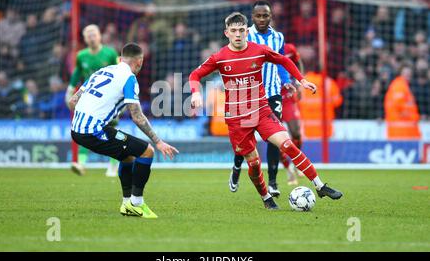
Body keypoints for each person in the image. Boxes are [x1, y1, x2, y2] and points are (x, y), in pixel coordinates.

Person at [189, 12, 343, 210]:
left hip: (261, 110)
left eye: (241, 30)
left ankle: (320, 186)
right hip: (237, 118)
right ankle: (265, 196)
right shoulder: (220, 57)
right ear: (226, 33)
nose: (238, 34)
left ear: (247, 31)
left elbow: (285, 61)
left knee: (287, 144)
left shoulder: (259, 50)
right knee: (253, 163)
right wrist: (195, 93)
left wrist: (301, 80)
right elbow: (195, 74)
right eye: (234, 31)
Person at [68, 42, 178, 219]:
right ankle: (136, 204)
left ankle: (127, 203)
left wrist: (93, 111)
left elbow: (73, 101)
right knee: (147, 152)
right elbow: (137, 116)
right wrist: (158, 141)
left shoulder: (101, 71)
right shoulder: (129, 79)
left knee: (127, 157)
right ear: (139, 61)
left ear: (120, 59)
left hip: (77, 128)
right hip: (93, 131)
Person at [229, 0, 295, 197]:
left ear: (270, 16)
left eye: (265, 15)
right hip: (248, 93)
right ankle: (236, 167)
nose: (261, 19)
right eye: (258, 15)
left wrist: (286, 81)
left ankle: (273, 182)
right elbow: (233, 58)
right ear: (252, 17)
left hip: (273, 92)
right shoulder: (244, 35)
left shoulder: (278, 37)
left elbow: (281, 61)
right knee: (245, 139)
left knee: (275, 138)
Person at [65, 24, 120, 177]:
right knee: (85, 129)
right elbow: (77, 74)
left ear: (99, 36)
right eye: (88, 34)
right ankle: (81, 164)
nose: (91, 36)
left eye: (93, 33)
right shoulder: (81, 56)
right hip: (90, 99)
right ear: (84, 38)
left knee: (111, 131)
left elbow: (120, 73)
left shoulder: (110, 53)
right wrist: (70, 90)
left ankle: (113, 165)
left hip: (109, 99)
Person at [279, 43, 306, 185]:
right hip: (271, 97)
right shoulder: (259, 49)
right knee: (277, 139)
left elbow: (298, 62)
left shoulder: (289, 48)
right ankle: (288, 170)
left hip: (288, 95)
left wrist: (299, 82)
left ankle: (296, 162)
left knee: (296, 133)